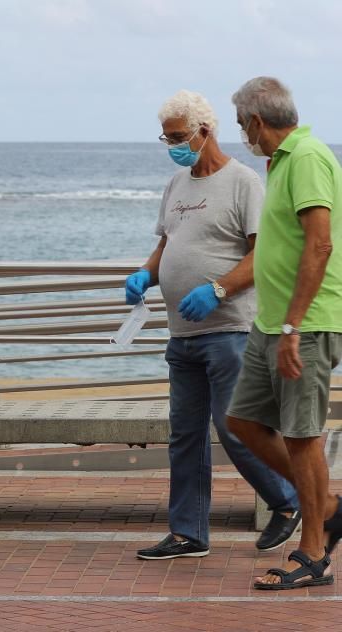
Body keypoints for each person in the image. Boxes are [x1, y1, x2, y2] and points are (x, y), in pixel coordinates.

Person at [125, 90, 300, 561]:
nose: (172, 144)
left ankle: (288, 500)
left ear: (206, 131)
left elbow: (263, 253)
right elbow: (168, 244)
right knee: (184, 435)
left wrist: (219, 289)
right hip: (181, 334)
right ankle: (187, 533)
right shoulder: (176, 184)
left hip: (229, 331)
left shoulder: (244, 183)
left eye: (178, 136)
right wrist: (147, 273)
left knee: (237, 427)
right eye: (166, 136)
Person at [222, 77, 342, 590]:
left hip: (305, 325)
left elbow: (319, 245)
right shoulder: (278, 163)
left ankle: (313, 552)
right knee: (243, 422)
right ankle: (329, 507)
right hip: (269, 323)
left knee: (301, 436)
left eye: (239, 124)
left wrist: (294, 325)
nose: (241, 134)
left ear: (254, 121)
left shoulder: (309, 156)